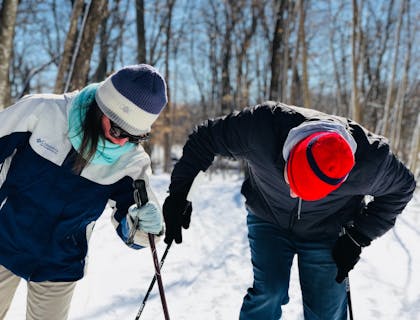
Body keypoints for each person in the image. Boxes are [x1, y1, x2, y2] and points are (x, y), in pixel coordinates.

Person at [162, 101, 416, 320]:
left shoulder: (371, 162)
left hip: (328, 229)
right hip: (268, 217)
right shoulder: (262, 127)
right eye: (293, 183)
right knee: (269, 292)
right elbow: (204, 139)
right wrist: (178, 194)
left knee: (325, 310)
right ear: (292, 152)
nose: (295, 193)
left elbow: (402, 189)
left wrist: (357, 236)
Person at [0, 64, 167, 320]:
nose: (123, 142)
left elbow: (137, 232)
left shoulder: (131, 162)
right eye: (117, 130)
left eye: (134, 137)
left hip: (60, 262)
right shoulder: (43, 112)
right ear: (99, 107)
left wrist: (144, 226)